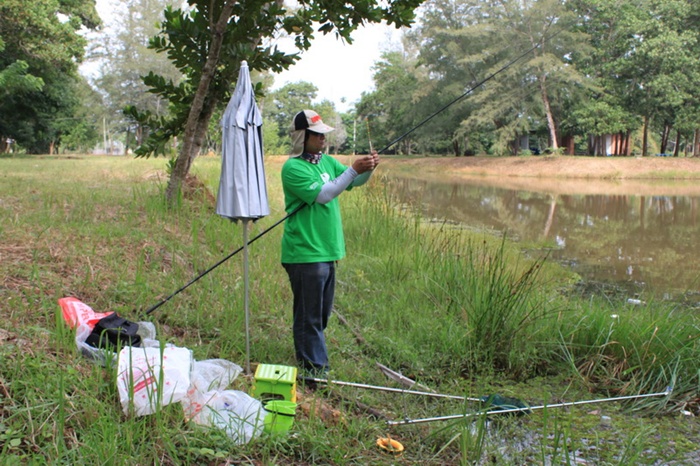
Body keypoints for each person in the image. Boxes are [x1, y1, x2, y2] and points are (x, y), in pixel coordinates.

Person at [281, 109, 379, 376]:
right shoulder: (294, 167)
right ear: (303, 136)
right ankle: (315, 370)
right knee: (309, 316)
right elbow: (324, 194)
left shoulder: (326, 161)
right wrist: (352, 170)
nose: (323, 139)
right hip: (305, 251)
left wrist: (367, 169)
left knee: (321, 314)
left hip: (327, 250)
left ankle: (311, 357)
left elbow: (353, 181)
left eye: (324, 134)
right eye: (317, 134)